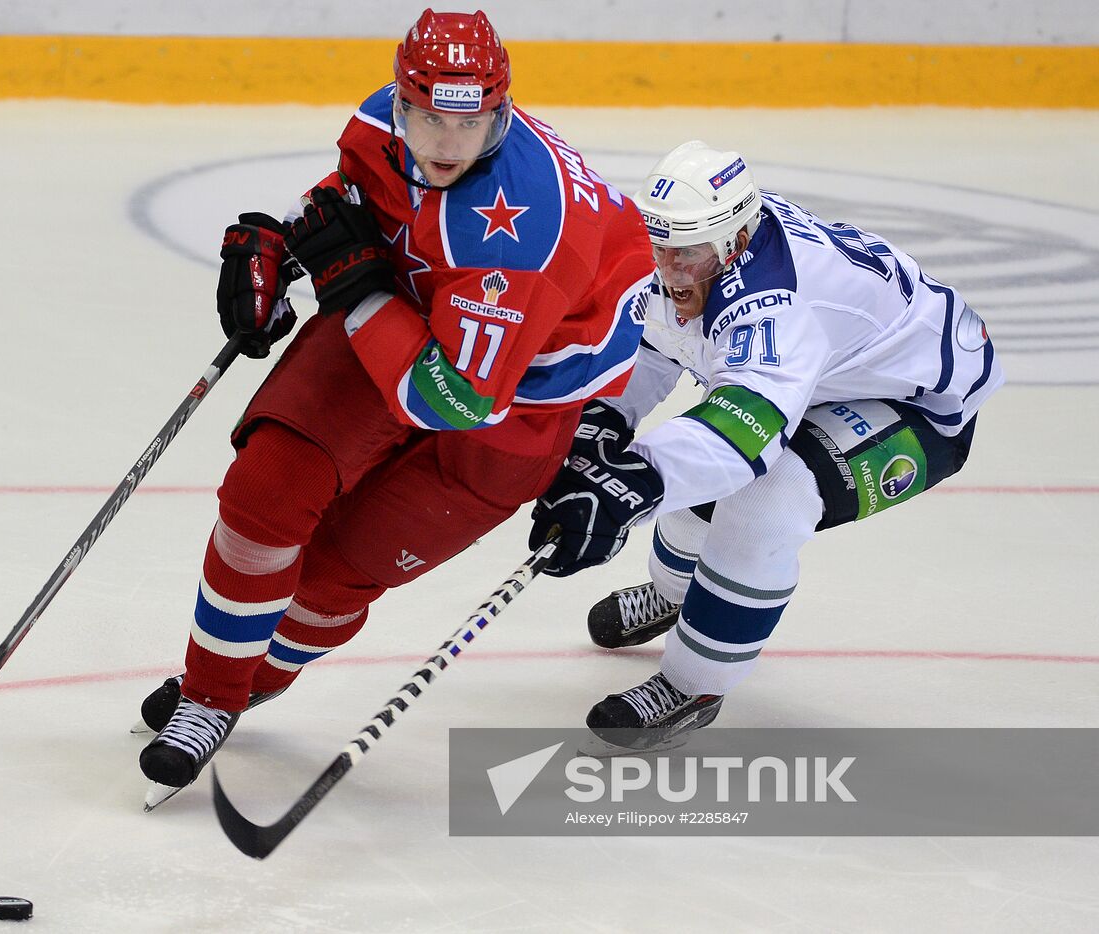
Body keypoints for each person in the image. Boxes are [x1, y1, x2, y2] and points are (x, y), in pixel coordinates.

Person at [136, 8, 654, 804]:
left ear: (500, 114)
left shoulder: (517, 242)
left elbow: (451, 399)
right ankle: (209, 696)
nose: (449, 143)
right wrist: (283, 243)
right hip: (414, 309)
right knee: (266, 491)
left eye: (471, 123)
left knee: (338, 571)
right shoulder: (379, 122)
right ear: (401, 101)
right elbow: (354, 199)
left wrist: (355, 283)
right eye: (431, 118)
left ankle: (249, 681)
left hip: (512, 404)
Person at [528, 140, 1003, 749]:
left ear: (735, 242)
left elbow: (744, 432)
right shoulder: (704, 246)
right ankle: (679, 596)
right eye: (660, 246)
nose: (669, 268)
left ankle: (695, 685)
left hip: (919, 402)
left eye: (687, 253)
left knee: (765, 501)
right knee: (698, 475)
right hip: (828, 370)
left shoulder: (774, 304)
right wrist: (600, 428)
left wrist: (627, 488)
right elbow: (654, 341)